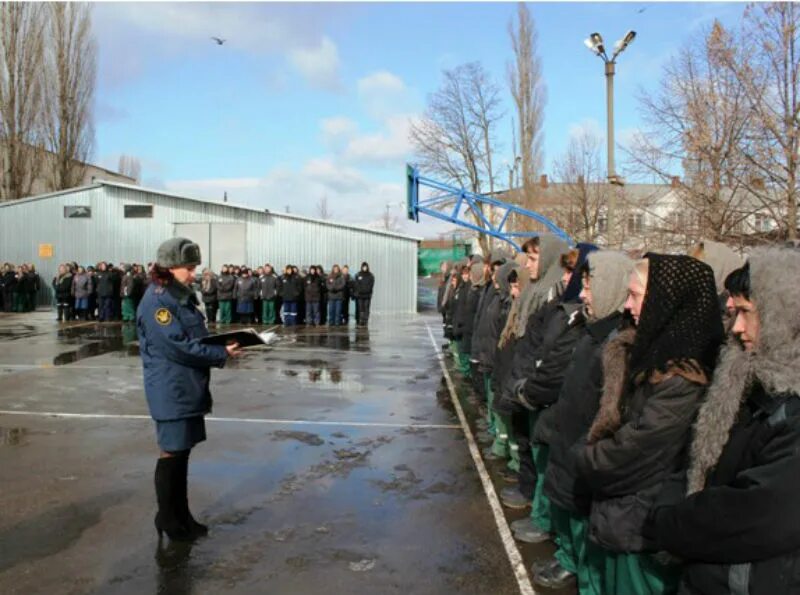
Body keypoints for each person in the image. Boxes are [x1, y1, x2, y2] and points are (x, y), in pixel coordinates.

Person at [649, 248, 800, 595]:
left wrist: (668, 521)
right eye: (734, 313)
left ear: (785, 317)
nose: (737, 328)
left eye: (747, 313)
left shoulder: (790, 409)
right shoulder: (750, 379)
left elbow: (755, 513)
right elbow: (697, 457)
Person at [576, 254, 724, 595]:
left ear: (665, 301)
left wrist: (585, 457)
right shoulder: (653, 350)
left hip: (640, 525)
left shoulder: (682, 377)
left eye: (636, 295)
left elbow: (636, 450)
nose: (627, 306)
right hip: (624, 513)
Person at [537, 251, 633, 591]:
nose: (582, 293)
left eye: (590, 286)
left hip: (584, 450)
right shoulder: (591, 333)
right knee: (568, 514)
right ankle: (568, 561)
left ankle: (584, 578)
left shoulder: (616, 344)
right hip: (568, 441)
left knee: (582, 524)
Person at [137, 237, 241, 542]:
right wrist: (221, 354)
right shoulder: (158, 300)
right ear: (170, 267)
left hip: (185, 385)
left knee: (182, 452)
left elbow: (194, 337)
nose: (193, 274)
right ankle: (168, 518)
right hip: (172, 387)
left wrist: (222, 343)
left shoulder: (176, 294)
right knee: (171, 451)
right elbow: (177, 346)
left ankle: (181, 515)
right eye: (188, 268)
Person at [353, 262, 375, 327]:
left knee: (366, 308)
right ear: (362, 267)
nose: (364, 268)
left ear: (367, 267)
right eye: (363, 266)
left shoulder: (371, 275)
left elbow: (371, 285)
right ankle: (361, 321)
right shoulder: (358, 275)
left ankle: (365, 321)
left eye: (366, 266)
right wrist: (360, 291)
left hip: (367, 295)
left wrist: (366, 290)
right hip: (360, 295)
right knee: (360, 308)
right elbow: (356, 284)